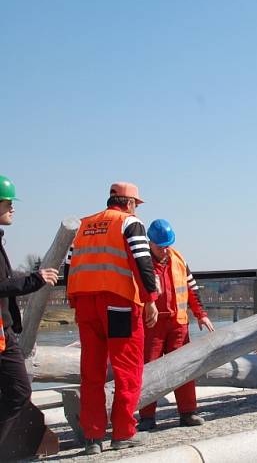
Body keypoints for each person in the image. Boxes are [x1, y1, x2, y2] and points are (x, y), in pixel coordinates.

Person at [65, 182, 159, 454]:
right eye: (137, 205)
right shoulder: (129, 223)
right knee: (127, 369)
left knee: (91, 372)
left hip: (85, 304)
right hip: (118, 304)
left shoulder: (83, 225)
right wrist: (150, 300)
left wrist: (73, 299)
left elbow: (70, 265)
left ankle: (93, 437)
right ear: (129, 203)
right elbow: (142, 261)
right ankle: (123, 433)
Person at [138, 219, 214, 431]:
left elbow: (192, 288)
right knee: (149, 370)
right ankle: (146, 417)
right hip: (151, 324)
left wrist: (201, 314)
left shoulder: (178, 258)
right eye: (160, 246)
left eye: (167, 245)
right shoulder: (141, 261)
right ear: (150, 242)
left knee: (184, 368)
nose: (164, 250)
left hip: (178, 323)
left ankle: (188, 412)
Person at [0, 176, 59, 446]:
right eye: (8, 202)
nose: (13, 208)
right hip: (1, 334)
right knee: (18, 389)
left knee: (16, 390)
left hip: (5, 330)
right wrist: (34, 280)